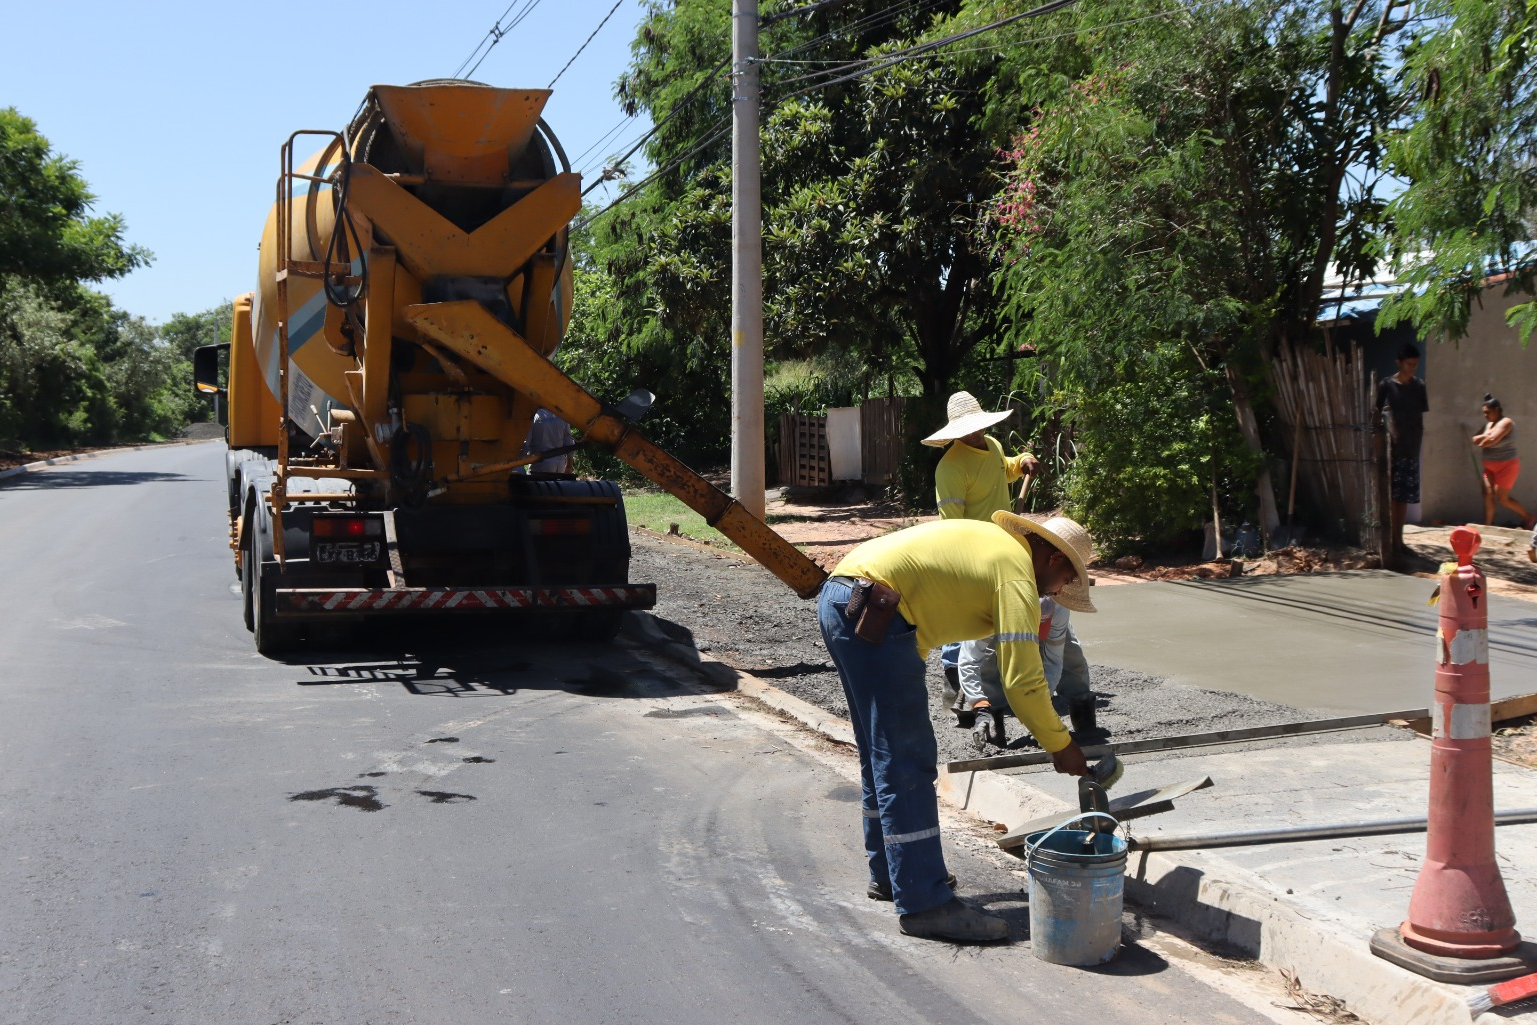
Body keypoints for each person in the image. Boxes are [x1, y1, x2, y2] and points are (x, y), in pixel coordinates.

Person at [817, 511, 1097, 943]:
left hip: (847, 596)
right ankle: (925, 905)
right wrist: (1062, 746)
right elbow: (1022, 681)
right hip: (877, 606)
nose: (1059, 592)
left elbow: (931, 607)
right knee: (907, 761)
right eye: (1065, 582)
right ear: (1055, 560)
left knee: (883, 753)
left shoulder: (996, 550)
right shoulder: (1017, 575)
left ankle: (895, 876)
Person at [924, 391, 1041, 747]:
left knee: (989, 619)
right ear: (955, 432)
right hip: (972, 550)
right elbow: (951, 522)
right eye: (968, 430)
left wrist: (1021, 462)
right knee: (963, 618)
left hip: (1003, 544)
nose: (975, 435)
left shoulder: (989, 444)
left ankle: (987, 684)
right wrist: (962, 560)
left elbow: (1002, 468)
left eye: (978, 429)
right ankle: (955, 685)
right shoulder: (950, 467)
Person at [1374, 344, 1429, 557]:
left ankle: (1400, 539)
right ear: (1399, 363)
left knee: (1404, 497)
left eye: (1415, 364)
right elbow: (1376, 413)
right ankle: (1391, 539)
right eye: (1409, 364)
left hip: (1412, 446)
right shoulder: (1387, 385)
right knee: (1392, 496)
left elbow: (1419, 417)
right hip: (1392, 447)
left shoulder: (1419, 386)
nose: (1413, 368)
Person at [1472, 394, 1534, 529]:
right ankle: (1488, 525)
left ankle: (1529, 518)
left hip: (1507, 467)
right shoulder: (1488, 425)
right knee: (1487, 494)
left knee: (1503, 500)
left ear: (1497, 410)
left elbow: (1490, 441)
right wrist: (1486, 436)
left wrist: (1486, 439)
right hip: (1489, 467)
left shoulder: (1506, 422)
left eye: (1488, 412)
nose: (1485, 416)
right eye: (1484, 413)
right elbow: (1475, 439)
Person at [521, 408, 575, 474]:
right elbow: (569, 443)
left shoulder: (535, 416)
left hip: (540, 465)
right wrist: (569, 466)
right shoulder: (562, 416)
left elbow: (526, 444)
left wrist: (519, 464)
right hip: (559, 465)